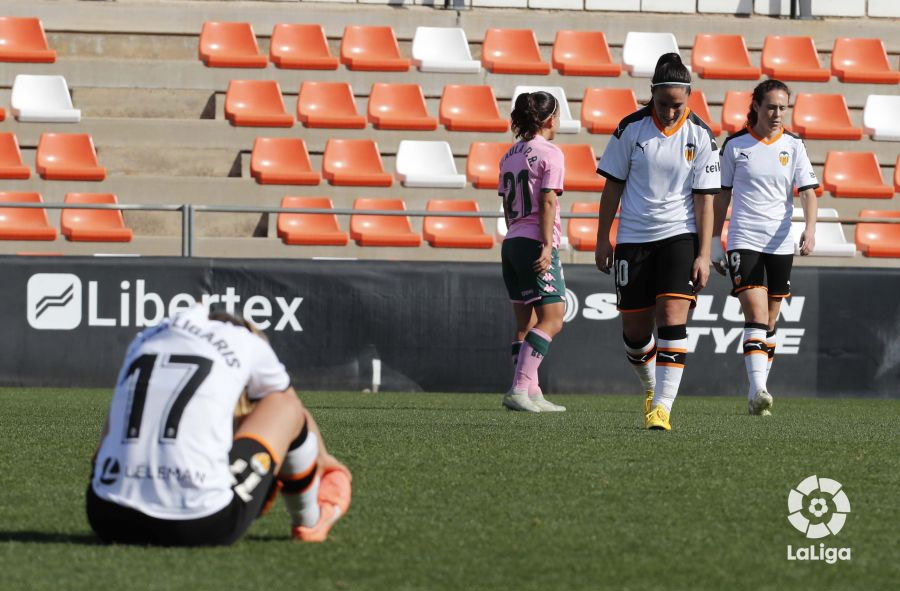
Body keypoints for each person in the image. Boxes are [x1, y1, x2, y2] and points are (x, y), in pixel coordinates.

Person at [86, 304, 351, 545]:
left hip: (107, 515)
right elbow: (290, 405)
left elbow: (102, 449)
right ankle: (310, 520)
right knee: (283, 404)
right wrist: (322, 457)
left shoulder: (145, 339)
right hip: (201, 522)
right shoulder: (247, 342)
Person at [594, 53, 720, 430]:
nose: (669, 111)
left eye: (677, 104)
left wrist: (704, 253)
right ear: (652, 94)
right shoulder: (630, 129)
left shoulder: (701, 135)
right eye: (663, 103)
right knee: (635, 334)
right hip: (633, 239)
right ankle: (651, 386)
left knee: (671, 316)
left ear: (689, 97)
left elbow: (705, 201)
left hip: (679, 236)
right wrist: (603, 239)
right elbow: (612, 188)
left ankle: (662, 408)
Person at [711, 79, 818, 416]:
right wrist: (714, 241)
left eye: (783, 107)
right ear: (756, 106)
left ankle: (756, 392)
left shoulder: (794, 145)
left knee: (771, 320)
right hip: (744, 239)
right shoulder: (735, 145)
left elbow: (808, 191)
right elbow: (721, 195)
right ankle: (759, 389)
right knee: (756, 315)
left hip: (781, 242)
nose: (777, 113)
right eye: (771, 107)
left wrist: (810, 228)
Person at [500, 91, 567, 413]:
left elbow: (506, 203)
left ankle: (532, 392)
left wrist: (516, 233)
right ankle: (518, 389)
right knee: (553, 319)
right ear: (550, 119)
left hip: (512, 241)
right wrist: (546, 244)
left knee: (525, 323)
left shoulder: (508, 155)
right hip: (535, 242)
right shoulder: (550, 152)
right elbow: (547, 199)